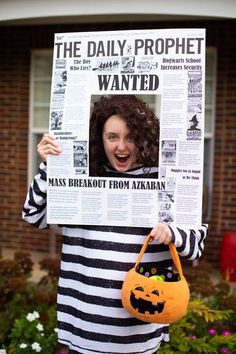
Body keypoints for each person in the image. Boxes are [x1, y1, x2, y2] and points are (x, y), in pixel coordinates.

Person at [22, 94, 208, 354]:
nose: (121, 147)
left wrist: (173, 232)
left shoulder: (164, 180)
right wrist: (49, 165)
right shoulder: (79, 176)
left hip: (138, 332)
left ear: (142, 138)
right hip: (85, 328)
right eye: (112, 137)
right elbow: (33, 214)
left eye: (130, 137)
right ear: (100, 139)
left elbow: (197, 243)